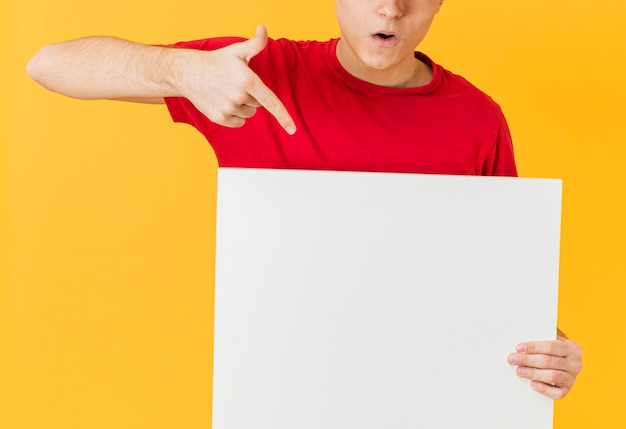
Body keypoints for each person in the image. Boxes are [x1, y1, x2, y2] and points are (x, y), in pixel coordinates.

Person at [27, 0, 582, 399]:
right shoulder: (256, 74)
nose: (390, 9)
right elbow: (49, 64)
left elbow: (496, 285)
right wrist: (184, 69)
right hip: (278, 417)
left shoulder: (476, 120)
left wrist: (548, 354)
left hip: (420, 417)